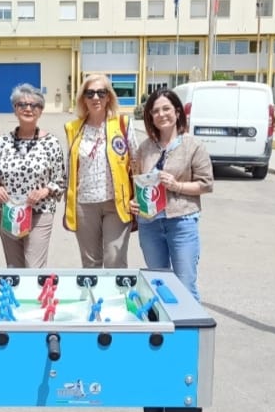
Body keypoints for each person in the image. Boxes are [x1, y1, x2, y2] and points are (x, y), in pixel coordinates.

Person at [128, 89, 214, 303]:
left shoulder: (193, 146)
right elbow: (137, 182)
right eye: (155, 111)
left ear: (177, 113)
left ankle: (190, 333)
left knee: (185, 284)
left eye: (166, 109)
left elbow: (206, 184)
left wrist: (177, 185)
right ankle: (166, 332)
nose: (161, 114)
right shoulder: (144, 148)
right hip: (150, 225)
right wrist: (134, 202)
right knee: (158, 282)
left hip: (182, 222)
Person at [63, 74, 139, 268]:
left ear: (108, 97)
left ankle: (117, 298)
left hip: (116, 203)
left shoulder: (122, 124)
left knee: (115, 259)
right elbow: (71, 168)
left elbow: (136, 162)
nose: (95, 98)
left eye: (101, 93)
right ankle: (94, 299)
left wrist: (137, 197)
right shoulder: (73, 128)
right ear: (83, 99)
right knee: (90, 263)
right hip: (85, 204)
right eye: (90, 94)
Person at [0, 84, 66, 268]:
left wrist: (44, 191)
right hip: (8, 211)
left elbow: (60, 180)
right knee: (14, 267)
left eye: (34, 105)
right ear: (15, 109)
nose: (28, 108)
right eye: (21, 104)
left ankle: (35, 297)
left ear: (41, 111)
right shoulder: (2, 142)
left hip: (39, 212)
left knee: (34, 268)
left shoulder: (51, 143)